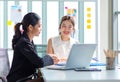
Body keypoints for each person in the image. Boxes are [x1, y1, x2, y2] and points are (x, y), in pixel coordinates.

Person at [7, 12, 59, 82]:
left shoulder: (29, 41)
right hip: (19, 80)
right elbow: (39, 62)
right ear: (30, 27)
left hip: (25, 78)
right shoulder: (24, 42)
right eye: (39, 26)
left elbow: (35, 63)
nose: (41, 29)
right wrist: (50, 57)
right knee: (50, 80)